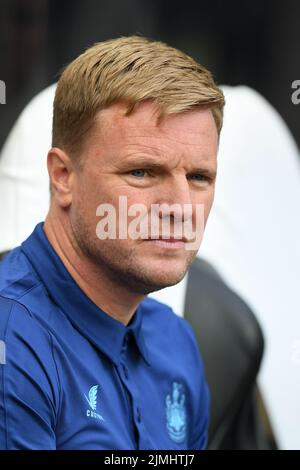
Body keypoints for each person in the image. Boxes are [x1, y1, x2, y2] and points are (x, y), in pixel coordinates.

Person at [0, 35, 224, 450]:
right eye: (141, 172)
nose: (179, 207)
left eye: (199, 178)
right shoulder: (11, 340)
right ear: (63, 176)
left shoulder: (175, 339)